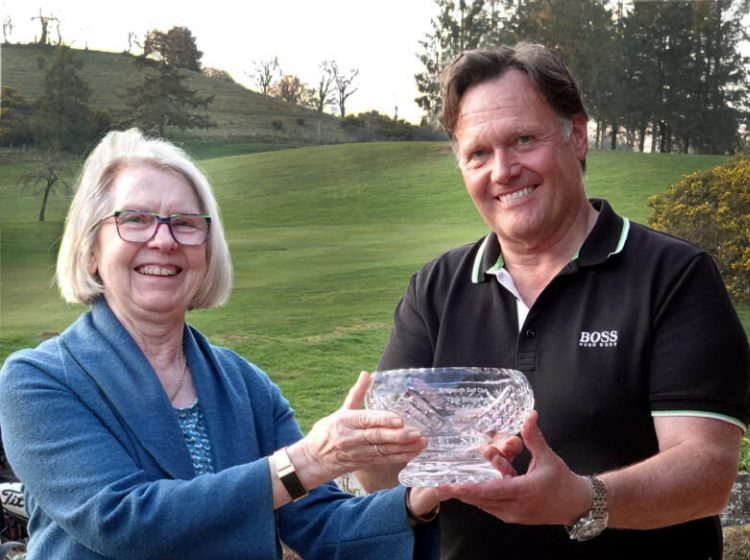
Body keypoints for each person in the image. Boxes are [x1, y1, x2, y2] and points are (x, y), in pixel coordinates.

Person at [357, 43, 750, 559]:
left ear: (578, 135)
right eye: (477, 153)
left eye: (523, 139)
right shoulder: (435, 289)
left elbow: (707, 471)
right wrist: (364, 450)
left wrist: (583, 500)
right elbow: (385, 478)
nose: (502, 170)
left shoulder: (673, 276)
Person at [0, 128, 446, 560]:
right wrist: (306, 461)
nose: (164, 239)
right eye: (134, 219)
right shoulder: (38, 382)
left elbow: (320, 525)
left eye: (185, 223)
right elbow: (120, 519)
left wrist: (414, 502)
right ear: (91, 249)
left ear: (207, 248)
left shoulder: (247, 387)